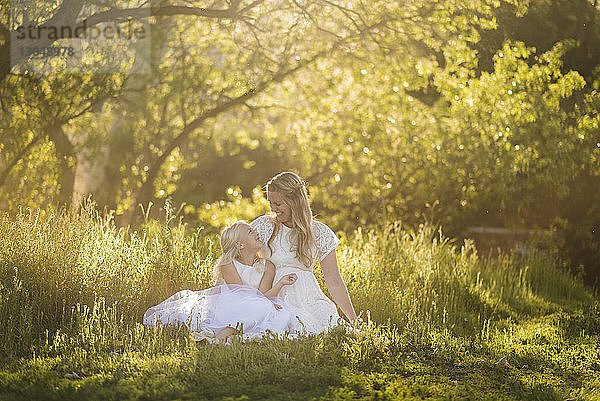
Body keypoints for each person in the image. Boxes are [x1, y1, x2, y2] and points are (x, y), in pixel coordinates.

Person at [143, 221, 298, 343]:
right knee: (262, 306)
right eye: (250, 232)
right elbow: (241, 293)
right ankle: (229, 331)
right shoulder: (227, 263)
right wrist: (264, 301)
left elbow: (264, 295)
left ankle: (230, 332)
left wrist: (280, 284)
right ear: (240, 245)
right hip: (233, 304)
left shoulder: (268, 266)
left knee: (274, 311)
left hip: (258, 303)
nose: (256, 233)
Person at [250, 171, 358, 334]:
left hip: (308, 297)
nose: (273, 209)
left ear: (295, 202)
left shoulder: (319, 232)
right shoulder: (264, 226)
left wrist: (354, 319)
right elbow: (238, 253)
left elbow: (334, 280)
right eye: (270, 203)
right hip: (272, 296)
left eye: (278, 204)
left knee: (328, 328)